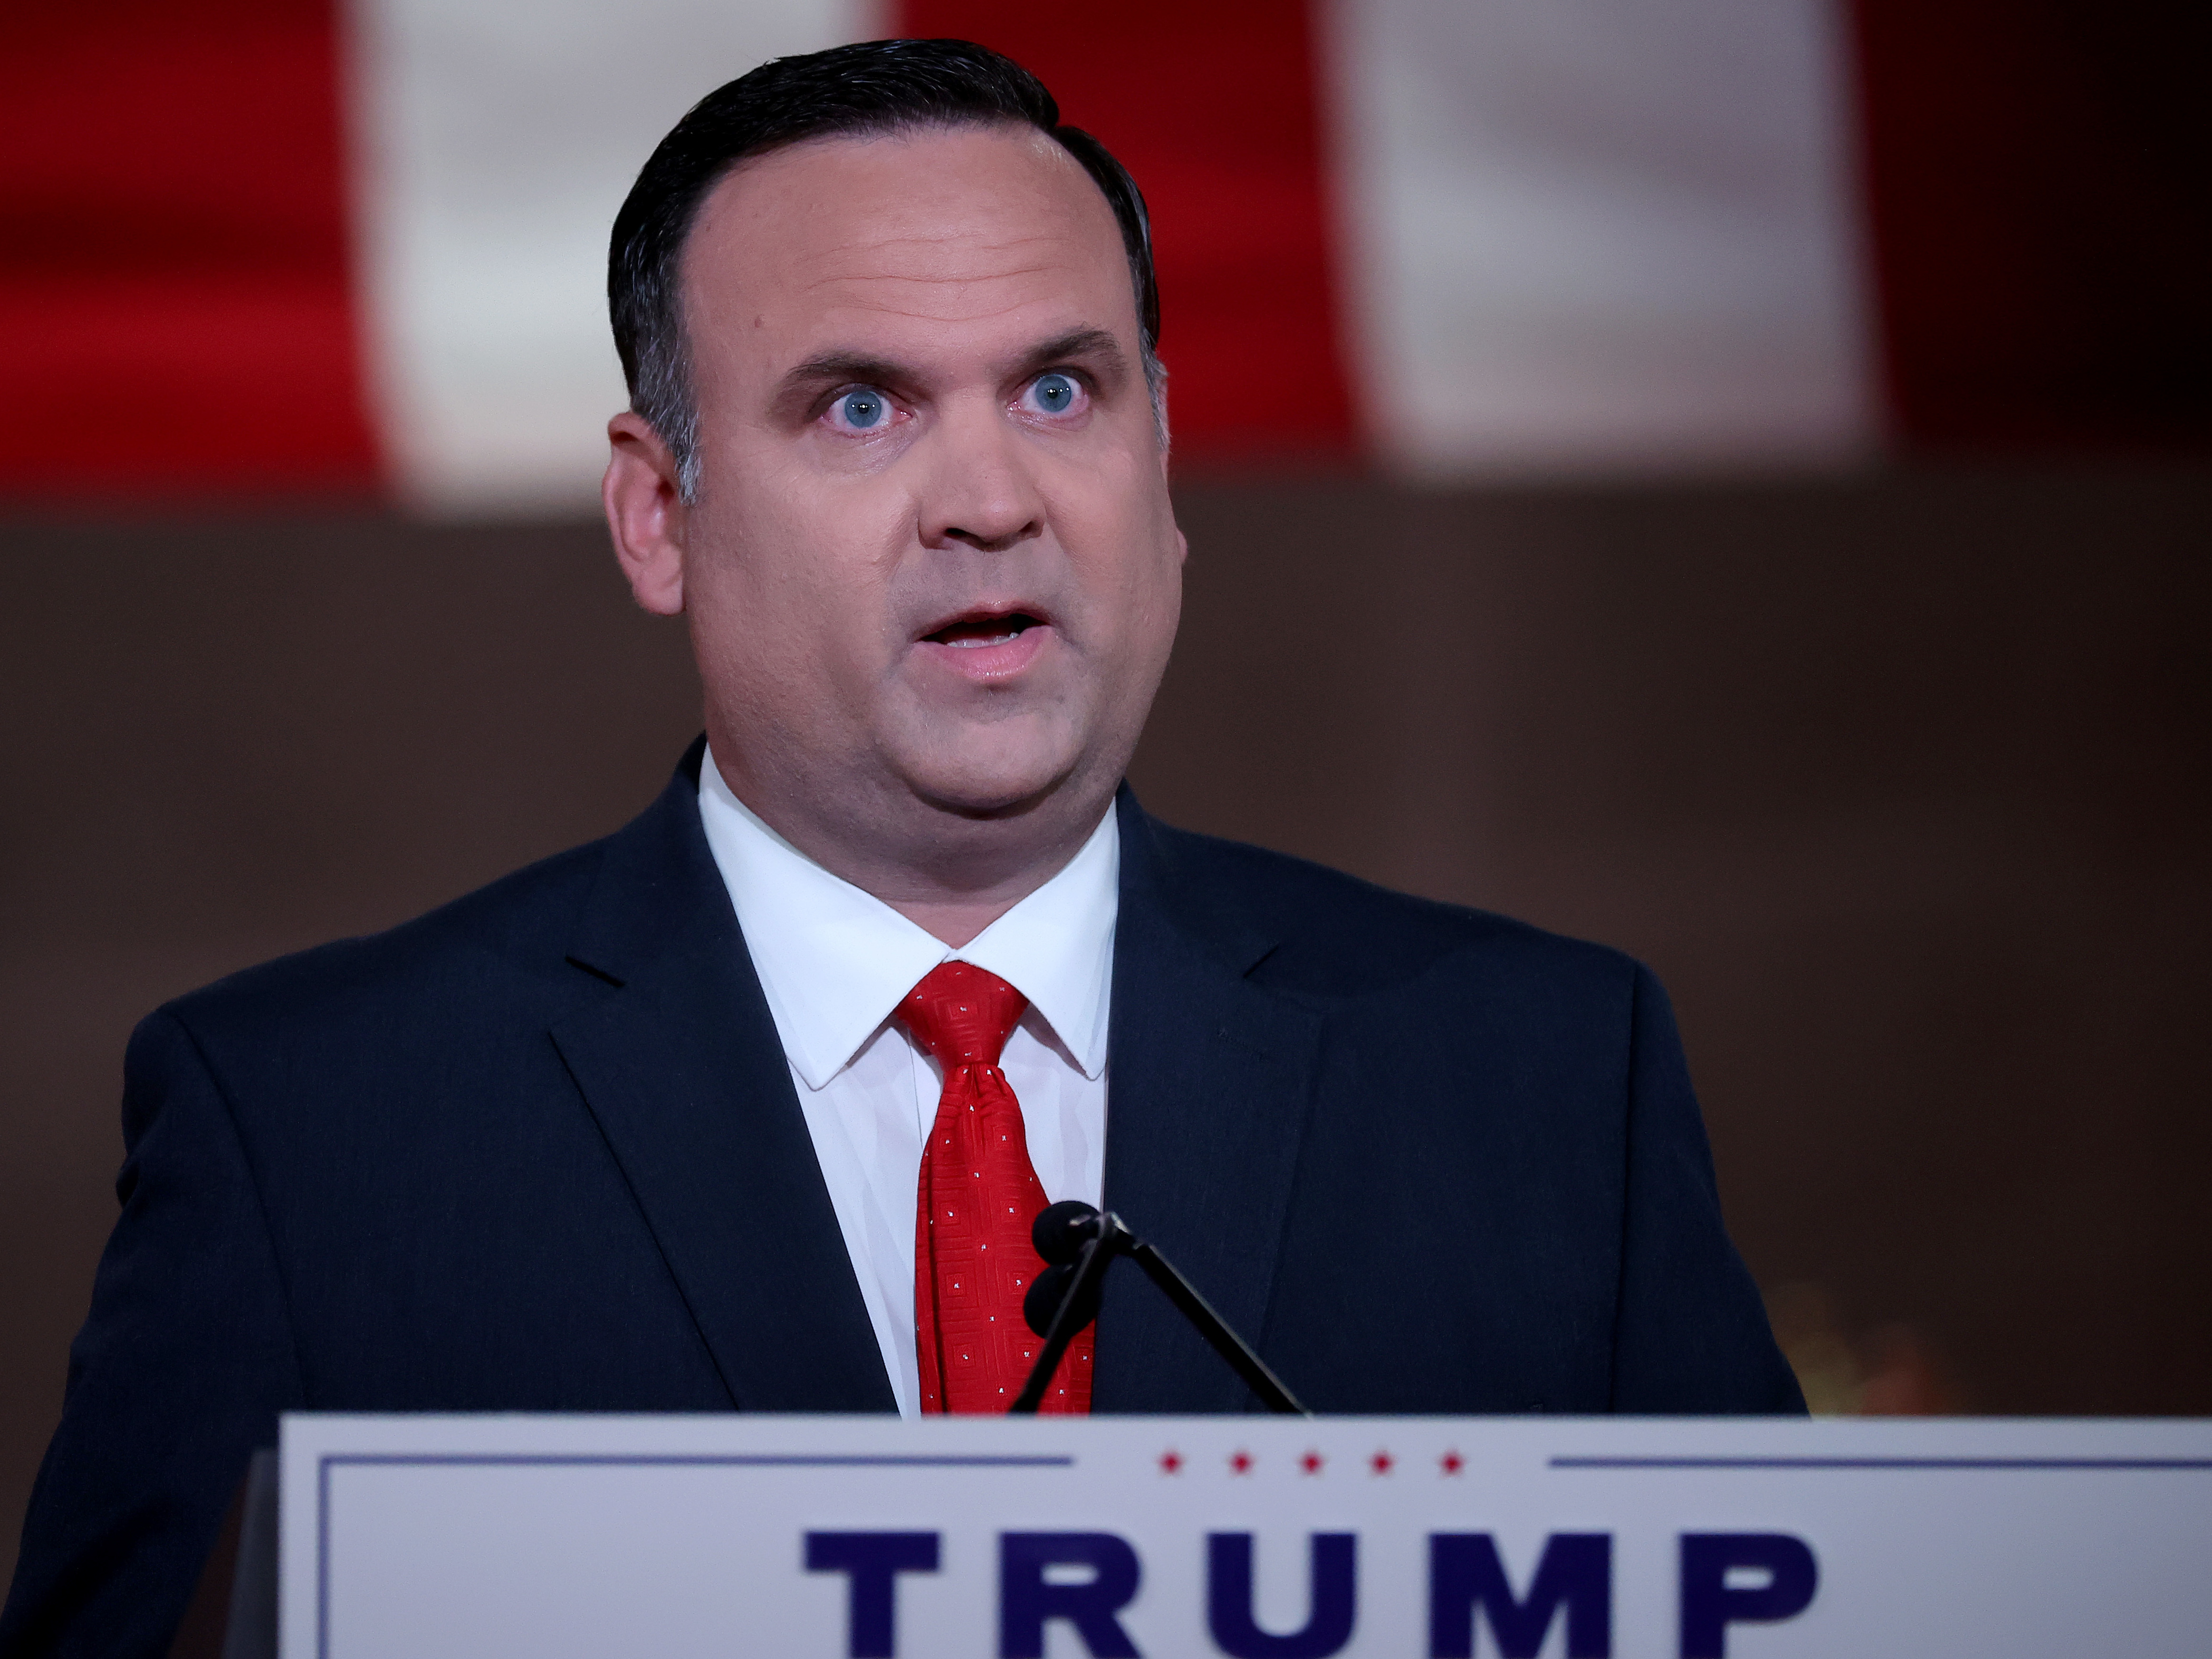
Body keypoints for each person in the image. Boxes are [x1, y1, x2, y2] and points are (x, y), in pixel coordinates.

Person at [0, 38, 1802, 1658]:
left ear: (1162, 462)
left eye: (1061, 392)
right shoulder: (316, 1135)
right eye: (860, 406)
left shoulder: (1546, 1079)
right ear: (657, 514)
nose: (993, 498)